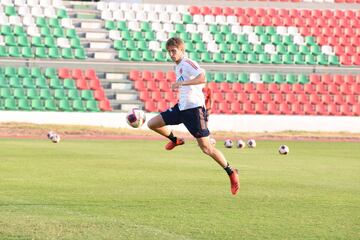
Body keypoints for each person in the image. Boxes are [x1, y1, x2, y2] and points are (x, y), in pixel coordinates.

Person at [147, 37, 239, 195]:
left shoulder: (188, 63)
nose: (171, 54)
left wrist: (181, 84)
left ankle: (231, 172)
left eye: (174, 51)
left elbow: (202, 77)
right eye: (169, 51)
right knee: (152, 123)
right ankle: (175, 140)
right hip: (181, 109)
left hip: (194, 111)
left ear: (182, 50)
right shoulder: (177, 66)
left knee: (207, 148)